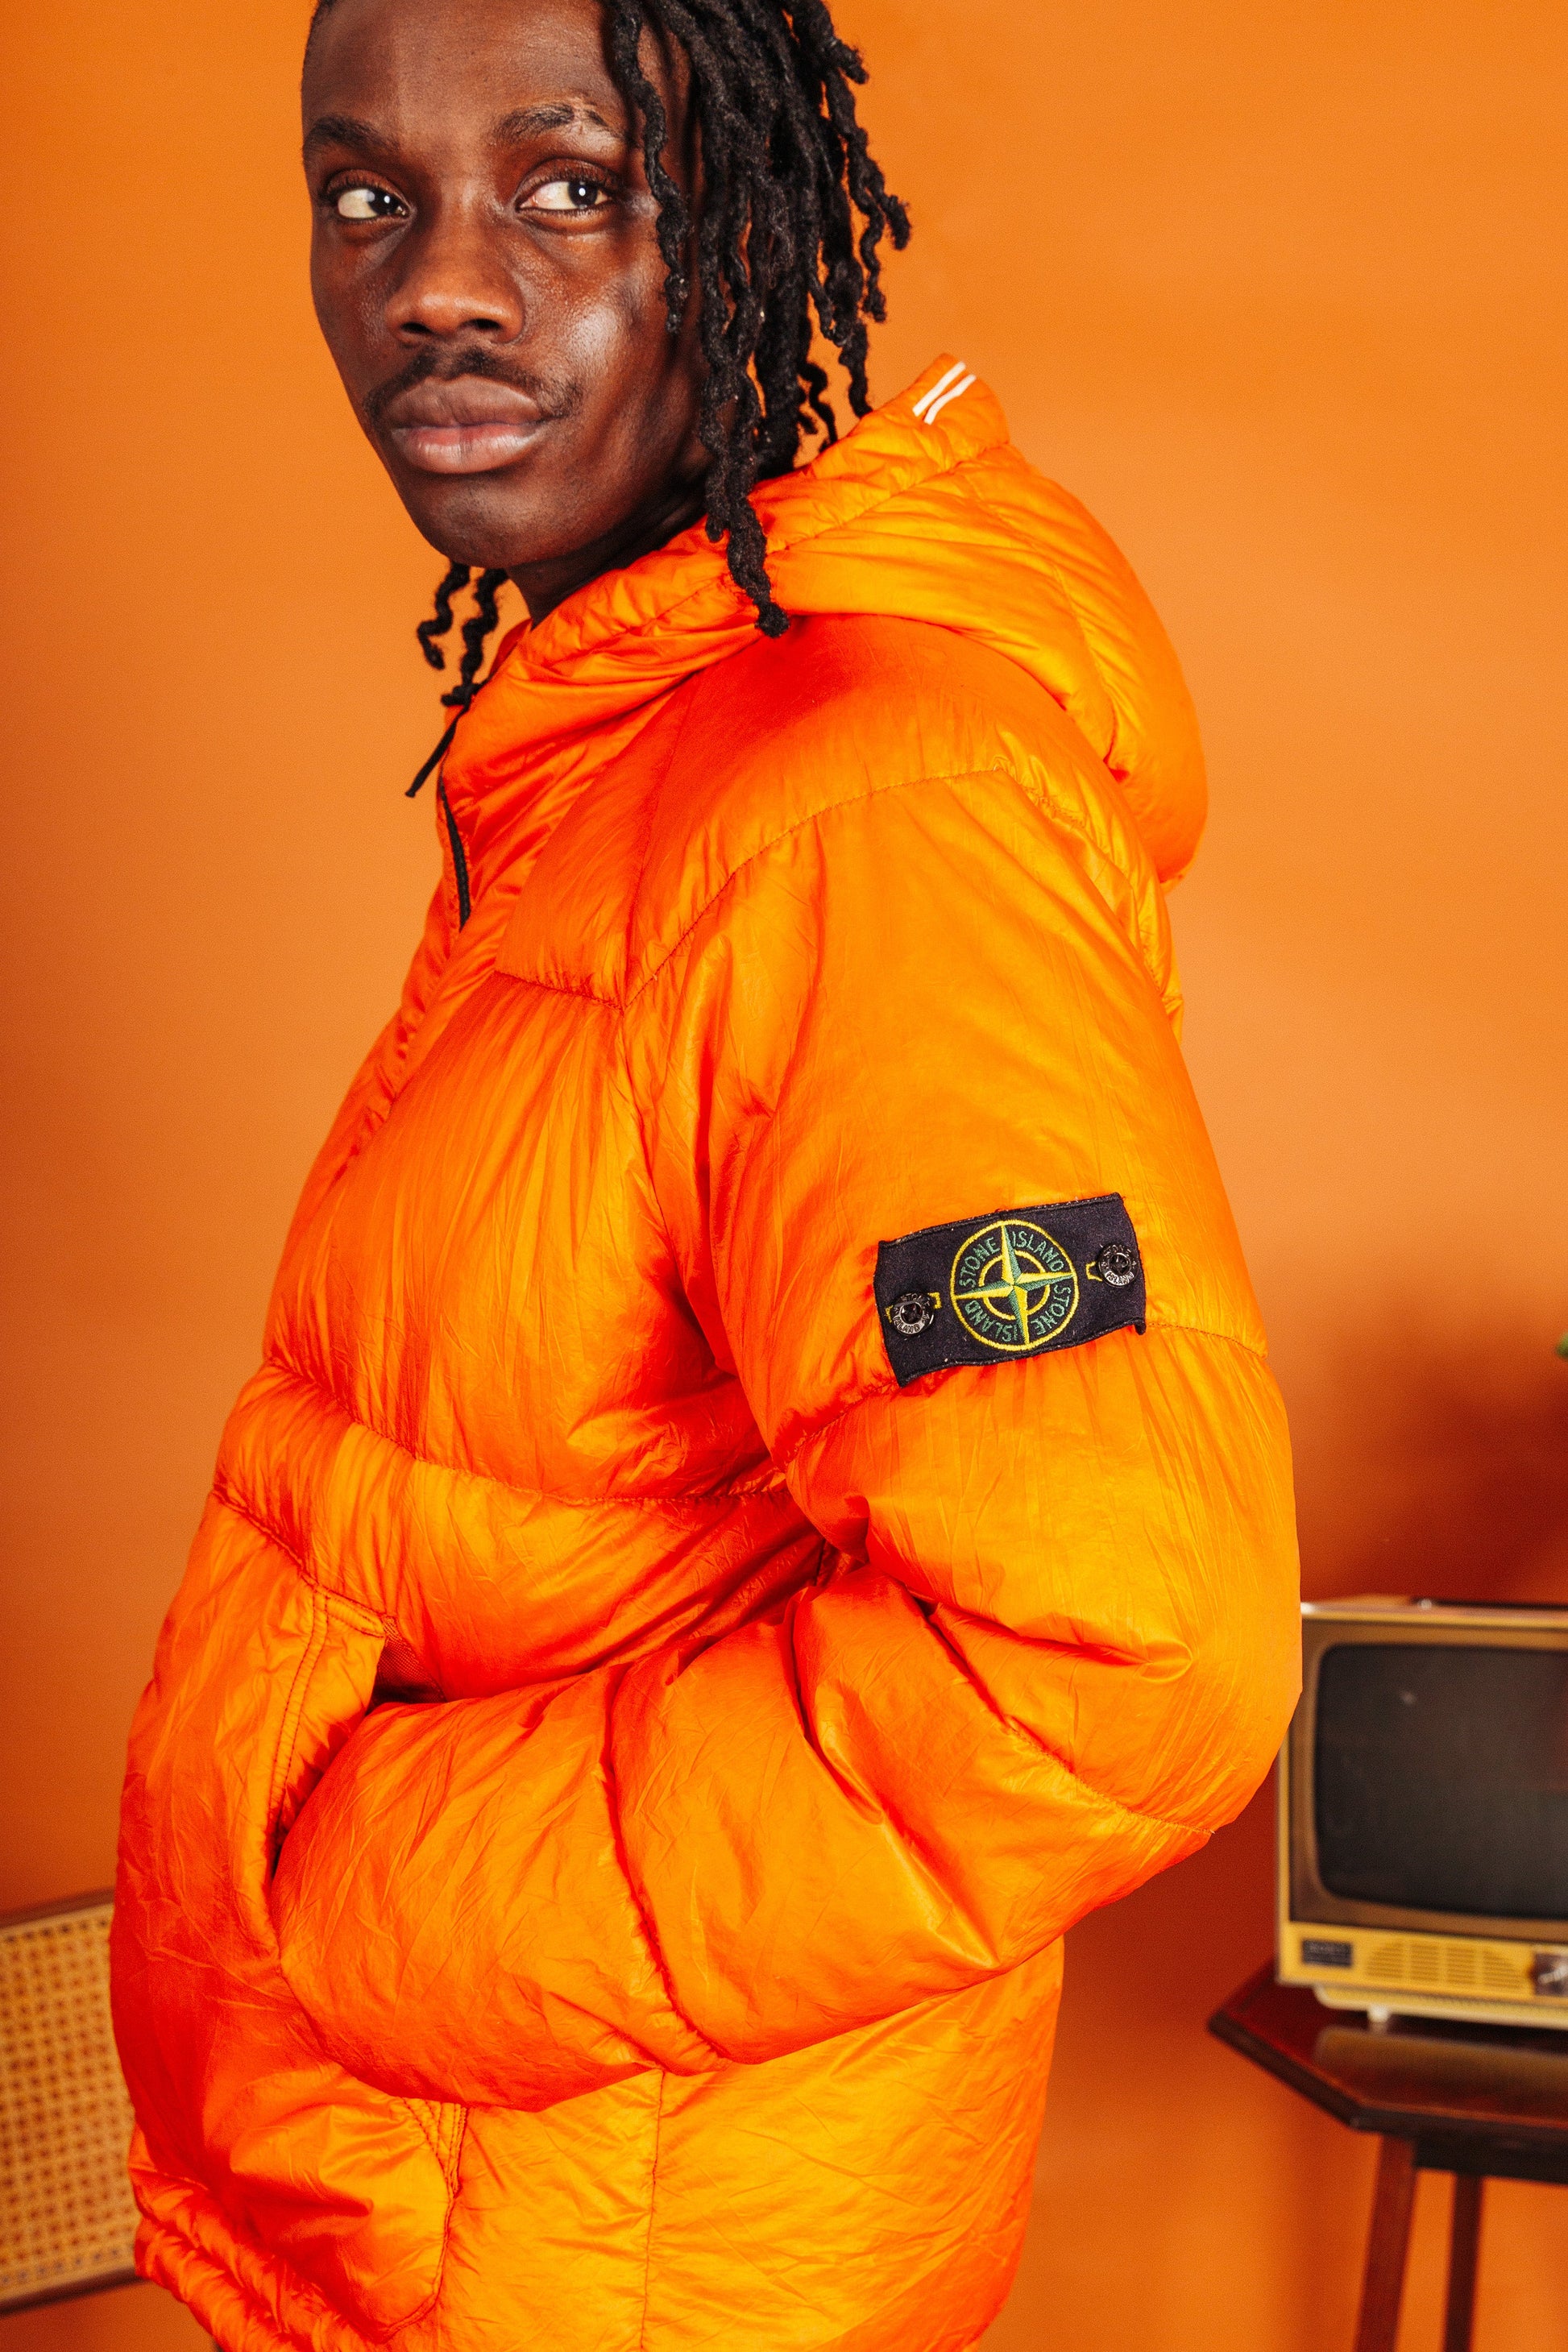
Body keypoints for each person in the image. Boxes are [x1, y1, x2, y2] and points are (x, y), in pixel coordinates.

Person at [110, 1, 1300, 2347]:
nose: (440, 284)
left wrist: (387, 1909)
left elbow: (1114, 1656)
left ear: (747, 225)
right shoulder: (633, 746)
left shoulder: (863, 807)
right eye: (367, 196)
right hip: (462, 2223)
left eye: (568, 187)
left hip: (615, 2257)